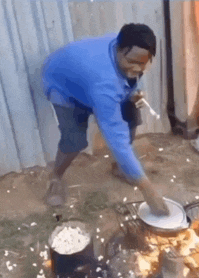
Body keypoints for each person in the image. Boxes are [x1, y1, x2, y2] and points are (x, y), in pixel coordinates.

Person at [41, 23, 170, 216]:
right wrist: (147, 189)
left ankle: (121, 167)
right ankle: (56, 178)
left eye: (143, 63)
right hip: (64, 86)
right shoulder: (103, 83)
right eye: (132, 62)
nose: (137, 68)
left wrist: (134, 91)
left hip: (91, 79)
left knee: (131, 116)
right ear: (119, 49)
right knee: (74, 140)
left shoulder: (128, 44)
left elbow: (134, 70)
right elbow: (115, 136)